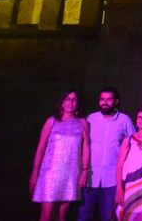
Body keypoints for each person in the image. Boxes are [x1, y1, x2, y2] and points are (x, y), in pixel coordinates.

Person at [30, 90, 91, 221]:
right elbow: (40, 148)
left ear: (78, 103)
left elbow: (86, 148)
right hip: (50, 172)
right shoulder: (51, 121)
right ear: (62, 103)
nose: (71, 102)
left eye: (74, 99)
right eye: (68, 99)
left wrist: (85, 170)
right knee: (47, 214)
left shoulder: (82, 123)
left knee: (62, 216)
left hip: (71, 172)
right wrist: (35, 173)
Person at [81, 86, 135, 221]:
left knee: (108, 217)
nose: (104, 102)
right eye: (102, 99)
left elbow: (134, 146)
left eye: (109, 99)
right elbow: (83, 146)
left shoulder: (124, 120)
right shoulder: (90, 119)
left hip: (112, 180)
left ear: (116, 101)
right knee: (84, 216)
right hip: (90, 178)